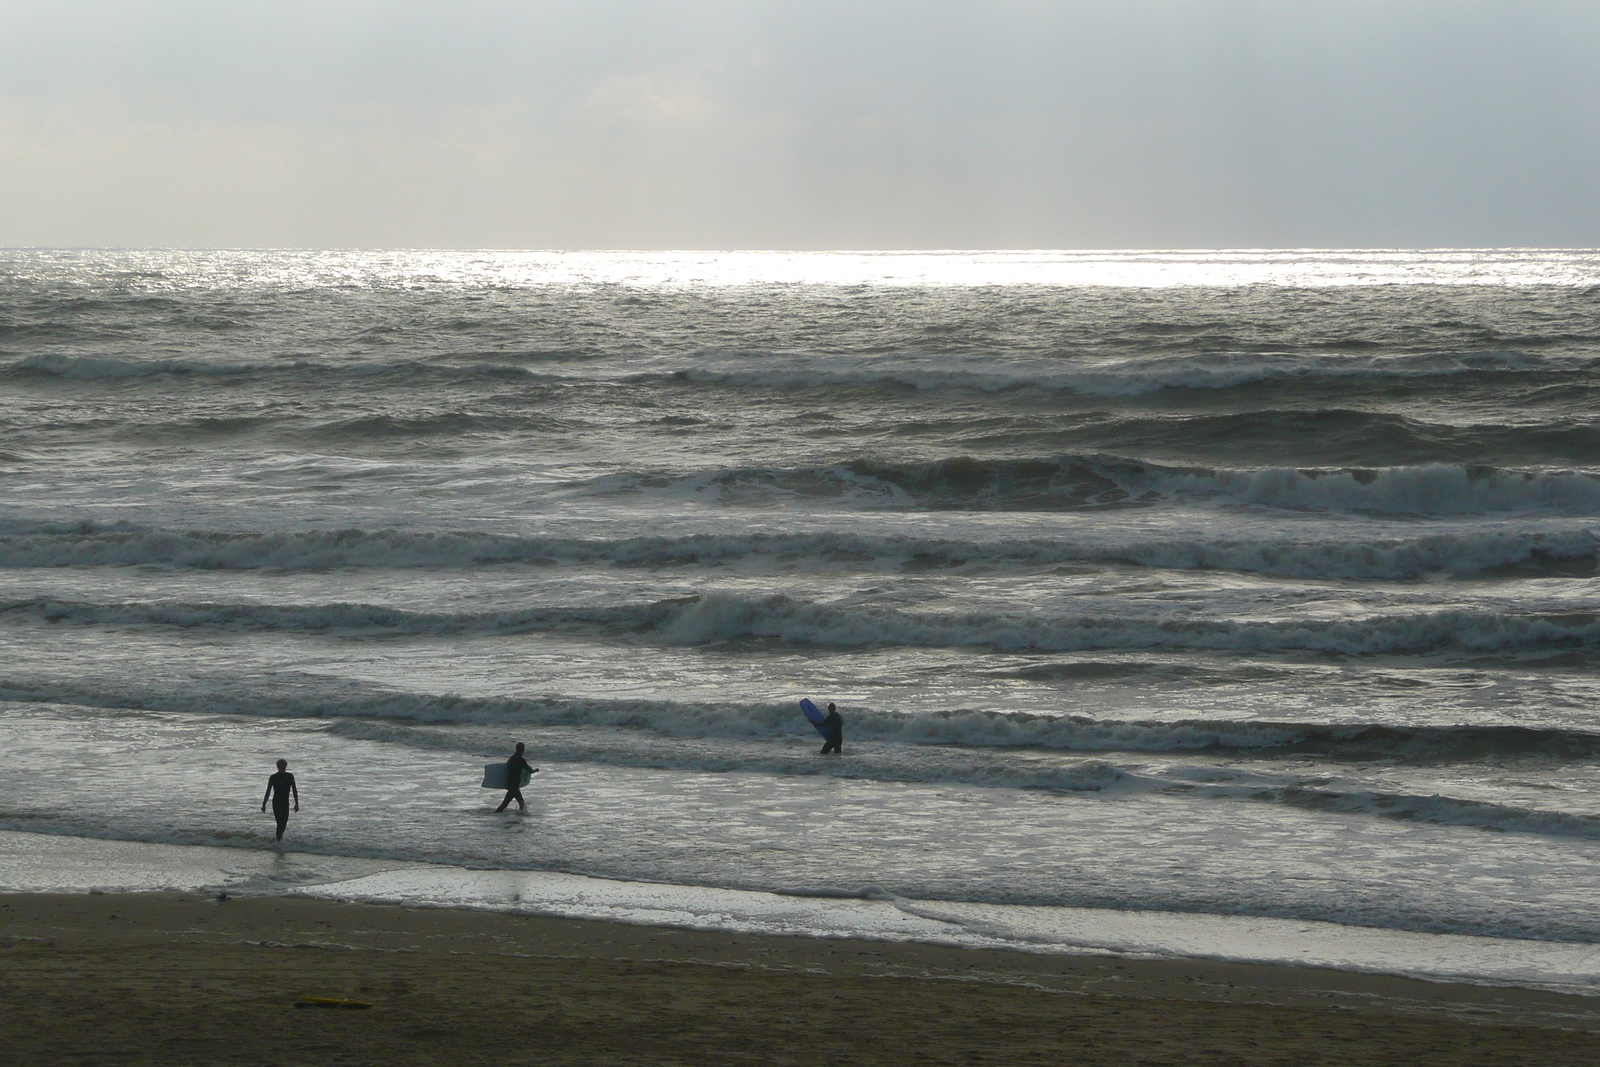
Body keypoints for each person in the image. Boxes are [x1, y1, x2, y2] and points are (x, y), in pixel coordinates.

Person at [260, 759, 299, 843]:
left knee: (284, 823)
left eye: (284, 766)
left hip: (285, 802)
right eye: (280, 766)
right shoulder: (273, 777)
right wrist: (264, 804)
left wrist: (296, 803)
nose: (282, 768)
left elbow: (294, 790)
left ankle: (279, 841)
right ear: (277, 767)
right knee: (279, 823)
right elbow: (268, 791)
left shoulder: (289, 776)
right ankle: (279, 843)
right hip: (276, 802)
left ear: (286, 766)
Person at [495, 742, 539, 812]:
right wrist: (535, 770)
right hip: (514, 785)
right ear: (523, 750)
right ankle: (496, 814)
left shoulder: (511, 759)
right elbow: (529, 770)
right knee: (506, 803)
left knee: (520, 802)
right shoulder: (521, 760)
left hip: (510, 783)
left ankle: (520, 815)